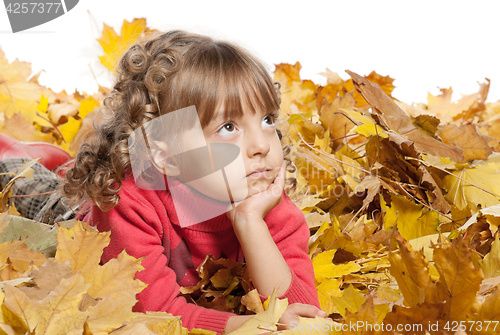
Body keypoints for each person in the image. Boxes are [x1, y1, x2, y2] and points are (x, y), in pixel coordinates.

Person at [1, 30, 324, 334]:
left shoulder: (264, 199)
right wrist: (232, 326)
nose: (263, 145)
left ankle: (51, 160)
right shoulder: (128, 203)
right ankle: (16, 154)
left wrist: (250, 223)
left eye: (267, 120)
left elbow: (302, 311)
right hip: (72, 220)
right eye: (228, 127)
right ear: (166, 156)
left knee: (53, 169)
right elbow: (150, 310)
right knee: (21, 180)